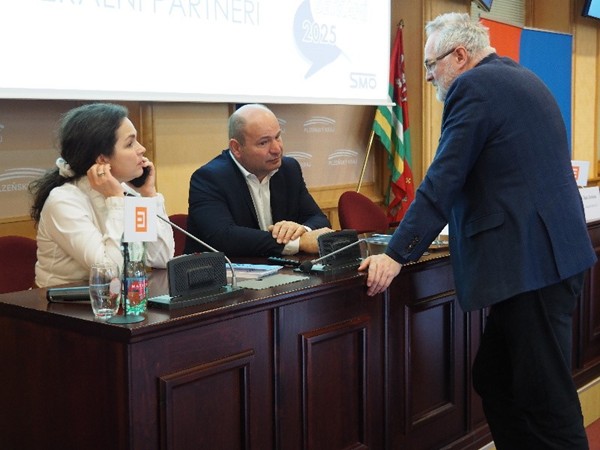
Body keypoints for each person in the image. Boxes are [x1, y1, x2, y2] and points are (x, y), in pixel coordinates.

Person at [358, 12, 596, 449]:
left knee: (546, 400)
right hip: (545, 260)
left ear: (460, 55)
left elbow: (444, 178)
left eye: (431, 65)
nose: (428, 77)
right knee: (495, 378)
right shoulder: (518, 76)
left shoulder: (474, 87)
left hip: (533, 265)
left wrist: (396, 253)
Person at [30, 103, 175, 288]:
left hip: (116, 299)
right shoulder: (63, 202)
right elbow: (109, 272)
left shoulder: (127, 192)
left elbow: (160, 259)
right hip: (62, 303)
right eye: (130, 143)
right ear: (102, 158)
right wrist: (116, 202)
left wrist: (149, 195)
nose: (141, 149)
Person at [186, 103, 332, 257]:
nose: (276, 149)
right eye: (264, 142)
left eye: (277, 137)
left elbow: (318, 219)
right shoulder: (209, 178)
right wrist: (298, 242)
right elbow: (224, 237)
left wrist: (302, 230)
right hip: (222, 270)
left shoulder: (289, 169)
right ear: (236, 148)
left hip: (279, 268)